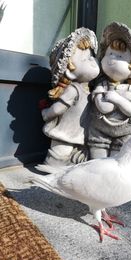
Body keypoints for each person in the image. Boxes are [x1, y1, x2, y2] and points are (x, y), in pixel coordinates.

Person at [37, 27, 100, 172]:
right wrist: (46, 113)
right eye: (84, 58)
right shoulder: (73, 89)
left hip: (80, 133)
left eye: (91, 55)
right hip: (65, 132)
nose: (92, 59)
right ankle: (52, 165)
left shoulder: (89, 90)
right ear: (70, 72)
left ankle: (68, 167)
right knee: (60, 152)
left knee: (74, 155)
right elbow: (58, 108)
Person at [88, 22, 131, 159]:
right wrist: (118, 99)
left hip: (124, 134)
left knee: (118, 161)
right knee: (97, 160)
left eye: (119, 56)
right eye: (109, 53)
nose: (111, 59)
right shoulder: (102, 85)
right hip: (100, 132)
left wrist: (116, 98)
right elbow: (103, 108)